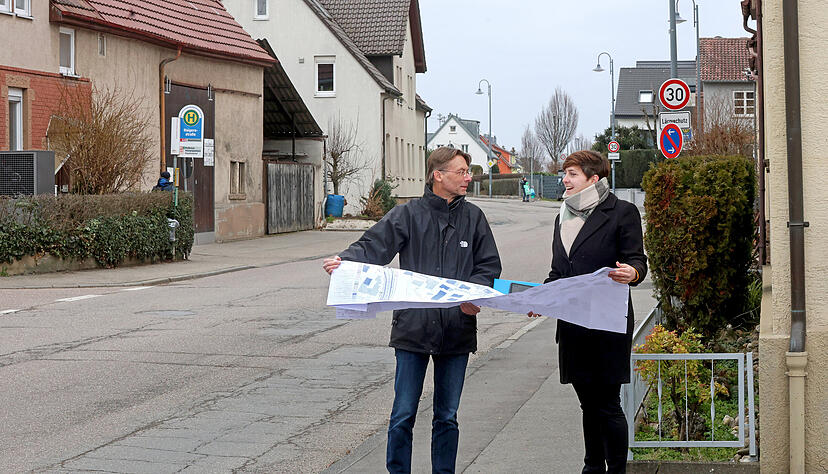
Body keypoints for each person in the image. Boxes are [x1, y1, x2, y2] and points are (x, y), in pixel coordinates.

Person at [322, 147, 502, 473]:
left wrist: (475, 296)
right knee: (403, 413)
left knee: (447, 415)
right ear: (438, 175)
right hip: (413, 329)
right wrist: (345, 263)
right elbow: (374, 245)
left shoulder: (473, 217)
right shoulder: (408, 214)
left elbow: (488, 264)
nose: (468, 177)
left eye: (467, 171)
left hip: (457, 329)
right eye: (461, 171)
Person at [530, 150, 646, 473]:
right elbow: (558, 272)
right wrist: (541, 298)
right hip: (573, 323)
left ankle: (616, 470)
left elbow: (638, 261)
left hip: (608, 322)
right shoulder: (562, 218)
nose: (564, 180)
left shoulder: (622, 212)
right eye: (564, 174)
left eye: (572, 174)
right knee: (587, 403)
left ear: (593, 179)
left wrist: (632, 273)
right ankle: (592, 465)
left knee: (607, 403)